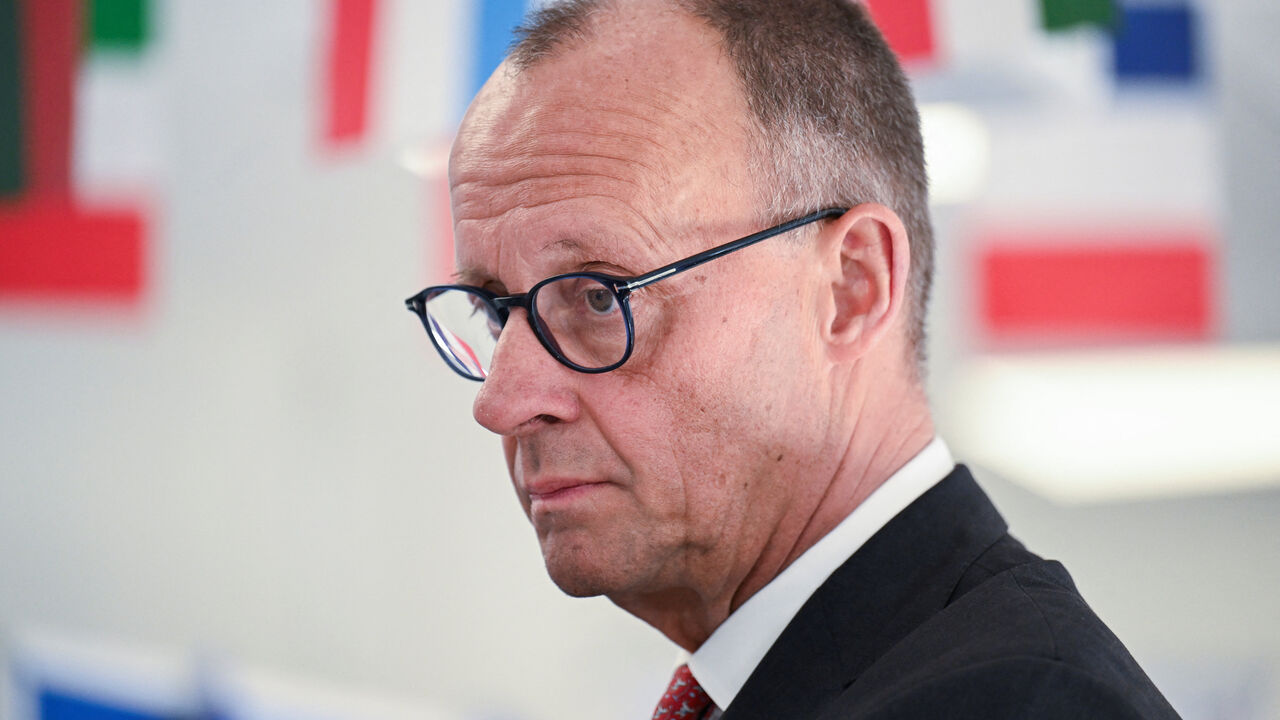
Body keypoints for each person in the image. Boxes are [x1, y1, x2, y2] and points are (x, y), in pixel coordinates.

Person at [404, 0, 1182, 717]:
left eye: (600, 297)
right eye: (491, 308)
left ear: (850, 288)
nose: (501, 401)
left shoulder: (1015, 704)